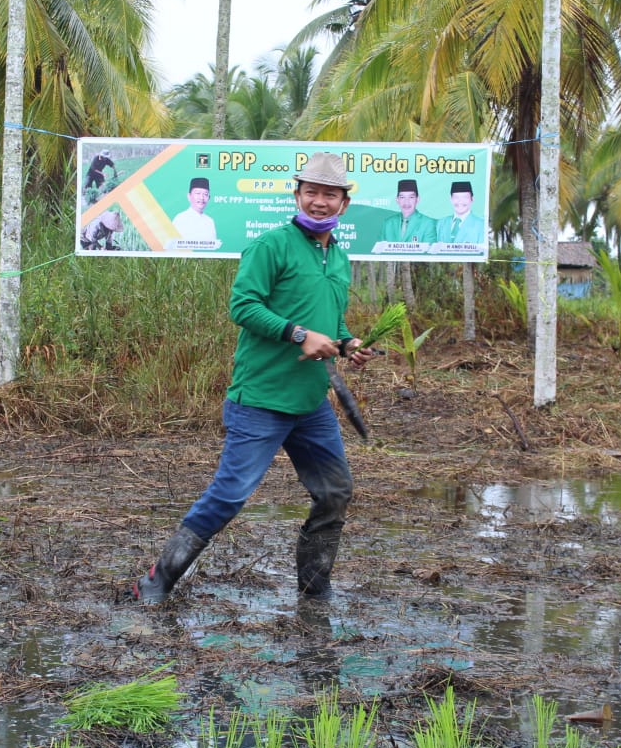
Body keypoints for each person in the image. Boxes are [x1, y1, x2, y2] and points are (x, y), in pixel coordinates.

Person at [133, 152, 378, 605]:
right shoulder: (272, 245)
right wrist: (298, 334)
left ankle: (313, 585)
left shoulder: (339, 257)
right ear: (297, 195)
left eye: (330, 195)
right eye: (312, 193)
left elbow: (331, 319)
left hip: (310, 403)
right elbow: (243, 307)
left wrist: (347, 344)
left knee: (335, 492)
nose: (320, 202)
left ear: (344, 203)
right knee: (229, 495)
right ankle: (157, 579)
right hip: (262, 397)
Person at [379, 178, 437, 244]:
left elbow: (428, 251)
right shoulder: (388, 223)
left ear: (417, 199)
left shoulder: (428, 223)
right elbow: (380, 251)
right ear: (397, 200)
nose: (406, 202)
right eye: (402, 197)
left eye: (411, 197)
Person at [435, 180, 485, 245]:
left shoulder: (481, 225)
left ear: (472, 199)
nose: (460, 201)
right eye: (456, 197)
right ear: (451, 199)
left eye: (465, 197)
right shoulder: (441, 223)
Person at [172, 177, 216, 242]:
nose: (201, 198)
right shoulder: (180, 219)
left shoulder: (210, 221)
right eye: (198, 193)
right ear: (189, 196)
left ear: (209, 198)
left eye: (205, 194)